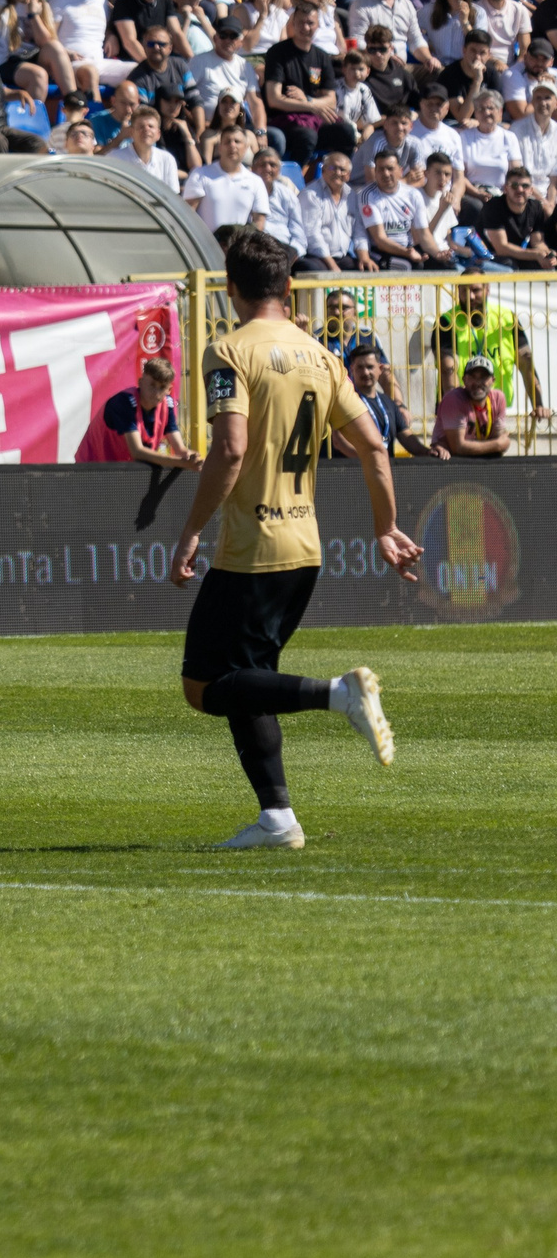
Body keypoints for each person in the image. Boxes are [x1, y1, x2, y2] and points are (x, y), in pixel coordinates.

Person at [165, 227, 415, 851]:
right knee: (249, 679)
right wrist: (386, 527)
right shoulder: (322, 356)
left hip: (253, 550)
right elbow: (376, 447)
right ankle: (277, 818)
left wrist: (191, 529)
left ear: (231, 287)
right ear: (288, 287)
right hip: (304, 549)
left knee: (204, 686)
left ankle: (340, 695)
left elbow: (230, 448)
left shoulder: (229, 352)